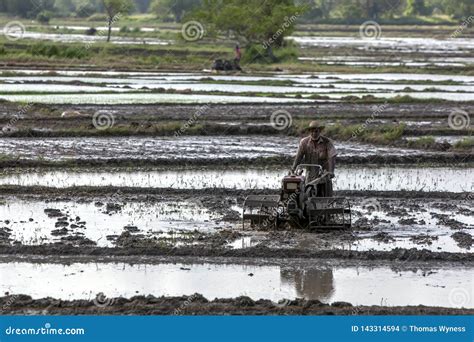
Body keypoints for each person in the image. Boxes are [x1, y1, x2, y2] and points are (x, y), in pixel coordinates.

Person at [291, 120, 337, 197]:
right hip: (310, 175)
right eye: (312, 131)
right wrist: (293, 169)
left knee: (325, 198)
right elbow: (299, 157)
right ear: (309, 131)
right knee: (308, 197)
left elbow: (332, 157)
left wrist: (331, 171)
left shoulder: (327, 142)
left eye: (316, 131)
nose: (314, 133)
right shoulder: (304, 142)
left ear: (320, 131)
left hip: (324, 175)